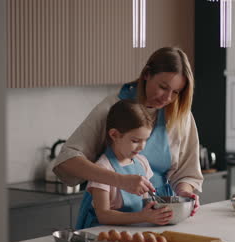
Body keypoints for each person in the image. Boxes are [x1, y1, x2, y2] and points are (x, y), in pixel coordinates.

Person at [53, 47, 204, 224]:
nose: (167, 98)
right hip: (110, 216)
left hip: (157, 214)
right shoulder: (111, 108)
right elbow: (66, 161)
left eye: (176, 92)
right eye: (163, 87)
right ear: (147, 74)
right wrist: (121, 181)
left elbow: (187, 172)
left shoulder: (180, 115)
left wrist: (183, 193)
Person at [77, 100, 173, 228]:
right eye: (135, 140)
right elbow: (103, 215)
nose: (141, 147)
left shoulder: (142, 163)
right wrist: (142, 216)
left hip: (133, 230)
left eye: (145, 140)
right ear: (115, 135)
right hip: (104, 234)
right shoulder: (103, 169)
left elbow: (146, 202)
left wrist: (157, 212)